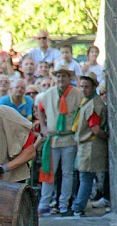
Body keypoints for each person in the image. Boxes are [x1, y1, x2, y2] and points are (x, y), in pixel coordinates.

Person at [36, 65, 84, 216]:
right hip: (53, 137)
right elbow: (40, 109)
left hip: (69, 137)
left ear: (69, 78)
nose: (61, 79)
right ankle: (44, 204)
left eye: (64, 76)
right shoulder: (48, 94)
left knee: (67, 173)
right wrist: (43, 126)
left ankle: (64, 204)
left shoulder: (77, 94)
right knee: (49, 171)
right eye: (58, 76)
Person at [71, 72, 108, 216]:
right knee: (85, 177)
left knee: (85, 178)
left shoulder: (93, 104)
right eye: (82, 86)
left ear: (93, 87)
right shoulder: (87, 101)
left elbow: (95, 129)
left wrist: (106, 136)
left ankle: (78, 207)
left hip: (90, 145)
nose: (83, 90)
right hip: (86, 144)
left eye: (86, 87)